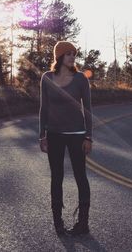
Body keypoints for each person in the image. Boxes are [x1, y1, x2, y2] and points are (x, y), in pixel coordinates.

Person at [38, 41, 93, 236]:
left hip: (77, 135)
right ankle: (58, 221)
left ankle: (83, 223)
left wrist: (89, 136)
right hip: (54, 135)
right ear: (59, 56)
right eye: (68, 53)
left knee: (80, 177)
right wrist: (42, 135)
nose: (72, 57)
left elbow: (87, 109)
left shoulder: (80, 79)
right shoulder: (47, 78)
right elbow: (44, 108)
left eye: (74, 53)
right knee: (57, 177)